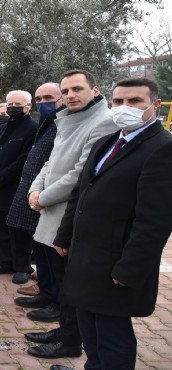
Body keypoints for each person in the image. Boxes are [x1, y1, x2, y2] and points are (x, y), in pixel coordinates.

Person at [48, 78, 172, 370]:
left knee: (112, 336)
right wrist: (64, 236)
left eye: (134, 101)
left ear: (154, 106)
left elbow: (154, 220)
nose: (124, 108)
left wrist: (130, 269)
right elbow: (82, 191)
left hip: (115, 263)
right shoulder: (110, 140)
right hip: (86, 258)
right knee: (89, 328)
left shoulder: (162, 149)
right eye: (118, 102)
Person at [24, 70, 118, 360]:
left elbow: (80, 173)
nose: (70, 96)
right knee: (61, 280)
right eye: (65, 91)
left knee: (70, 284)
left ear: (95, 89)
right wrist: (34, 190)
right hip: (53, 209)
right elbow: (51, 162)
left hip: (71, 216)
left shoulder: (104, 122)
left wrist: (44, 197)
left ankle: (69, 341)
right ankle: (65, 332)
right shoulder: (70, 120)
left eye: (77, 89)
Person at [5, 82, 63, 323]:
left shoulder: (63, 121)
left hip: (50, 195)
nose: (43, 102)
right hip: (34, 187)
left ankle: (55, 301)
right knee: (38, 244)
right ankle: (46, 292)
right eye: (39, 98)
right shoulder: (47, 121)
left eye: (48, 97)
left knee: (51, 252)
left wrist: (43, 192)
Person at [0, 90, 37, 283]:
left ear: (28, 106)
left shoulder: (32, 128)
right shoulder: (1, 128)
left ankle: (22, 267)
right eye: (10, 104)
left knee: (18, 230)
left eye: (17, 104)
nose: (13, 108)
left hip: (15, 186)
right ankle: (5, 262)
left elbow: (24, 159)